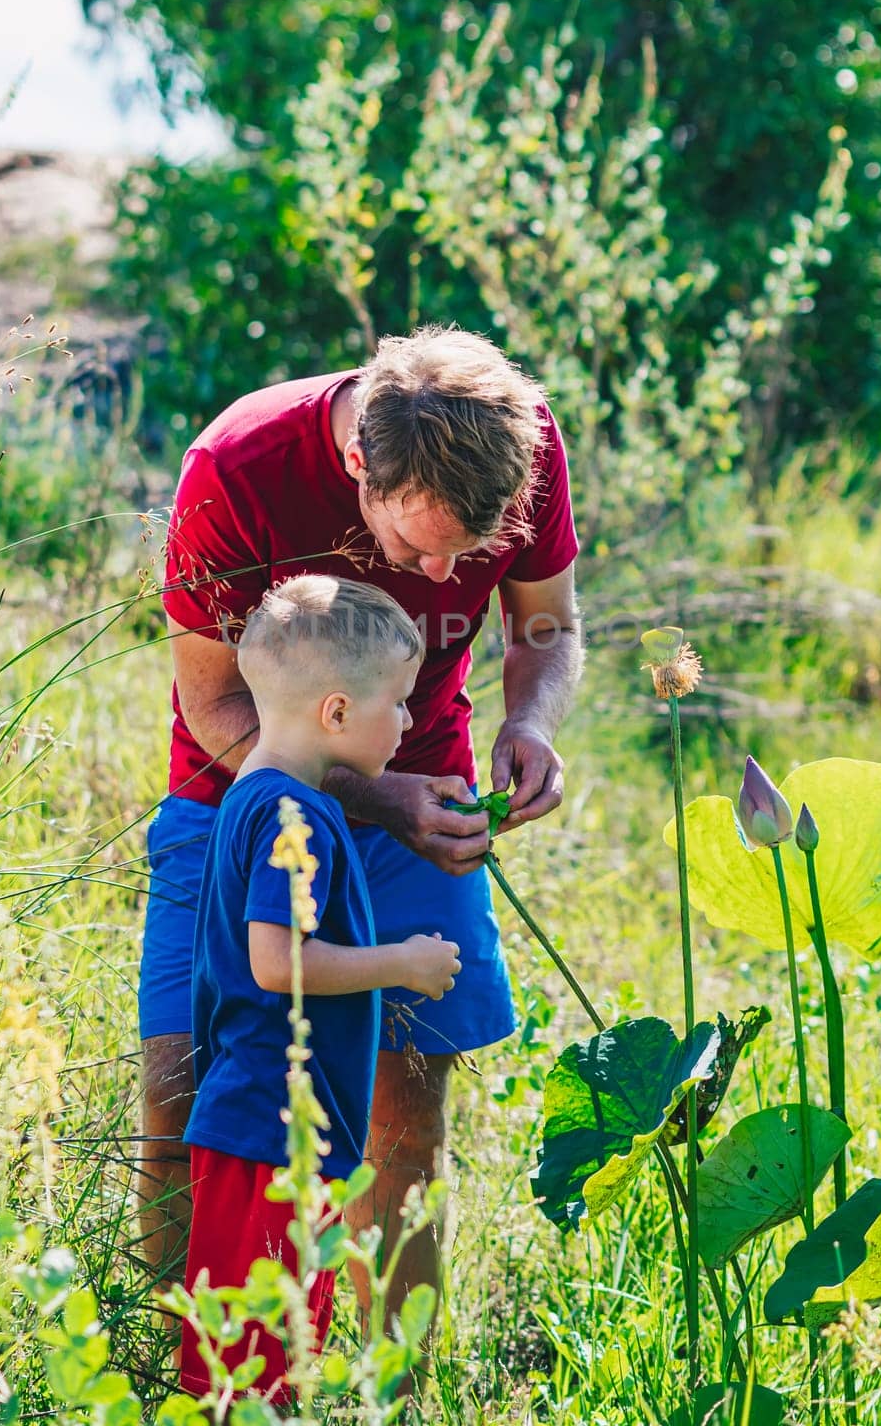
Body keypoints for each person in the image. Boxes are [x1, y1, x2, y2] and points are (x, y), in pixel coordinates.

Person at [140, 325, 583, 1334]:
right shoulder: (238, 466)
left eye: (464, 550)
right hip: (238, 795)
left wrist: (527, 722)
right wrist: (377, 798)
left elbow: (546, 626)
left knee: (406, 1099)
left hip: (421, 780)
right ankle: (177, 1375)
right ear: (354, 465)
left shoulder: (524, 443)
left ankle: (395, 1377)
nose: (439, 576)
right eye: (415, 544)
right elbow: (214, 709)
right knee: (180, 1090)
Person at [180, 574, 461, 1402]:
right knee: (255, 1357)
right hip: (271, 1130)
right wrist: (402, 963)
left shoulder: (258, 793)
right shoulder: (289, 814)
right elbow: (276, 961)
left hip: (275, 1125)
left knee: (267, 1345)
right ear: (336, 713)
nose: (410, 722)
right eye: (399, 703)